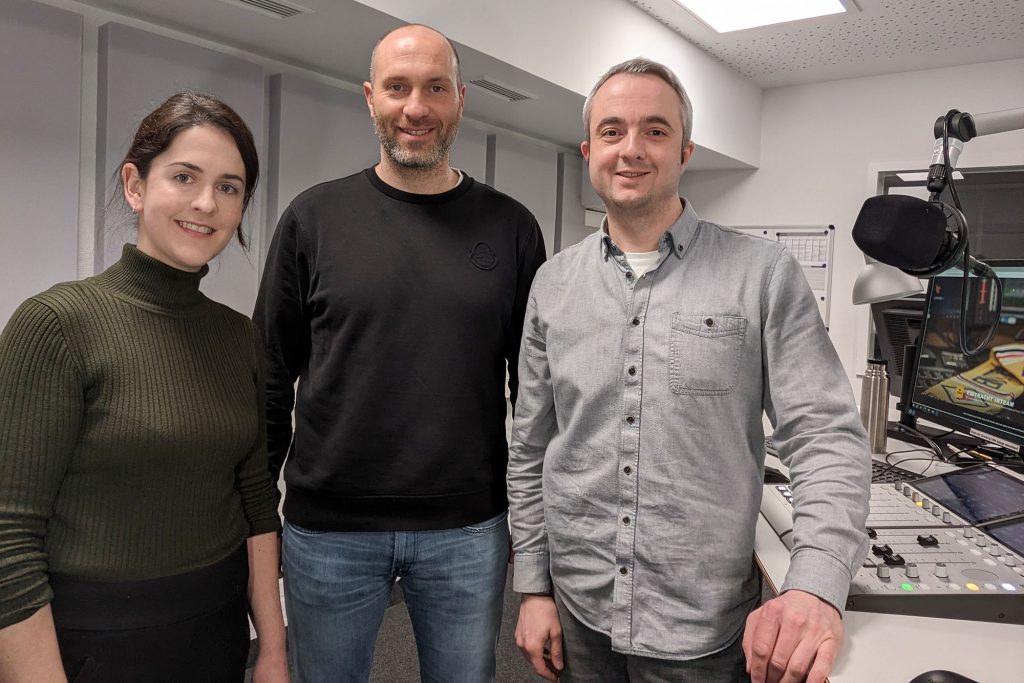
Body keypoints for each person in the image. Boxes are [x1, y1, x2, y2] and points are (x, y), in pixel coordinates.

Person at [508, 58, 871, 683]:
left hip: (701, 629)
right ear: (589, 149)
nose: (632, 149)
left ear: (685, 150)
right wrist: (534, 586)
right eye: (614, 131)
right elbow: (532, 446)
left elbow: (824, 435)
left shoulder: (761, 273)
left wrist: (815, 585)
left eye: (655, 130)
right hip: (579, 611)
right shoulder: (552, 283)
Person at [253, 24, 546, 683]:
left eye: (435, 87)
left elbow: (534, 398)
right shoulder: (313, 219)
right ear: (370, 98)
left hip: (468, 529)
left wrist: (533, 539)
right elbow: (270, 376)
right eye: (398, 87)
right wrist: (253, 517)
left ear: (461, 99)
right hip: (328, 531)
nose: (416, 107)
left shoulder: (512, 227)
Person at [0, 92, 288, 682]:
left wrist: (274, 652)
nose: (206, 203)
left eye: (230, 187)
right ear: (135, 185)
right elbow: (8, 536)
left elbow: (256, 499)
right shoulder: (56, 325)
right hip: (92, 643)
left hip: (217, 630)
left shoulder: (238, 337)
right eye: (184, 176)